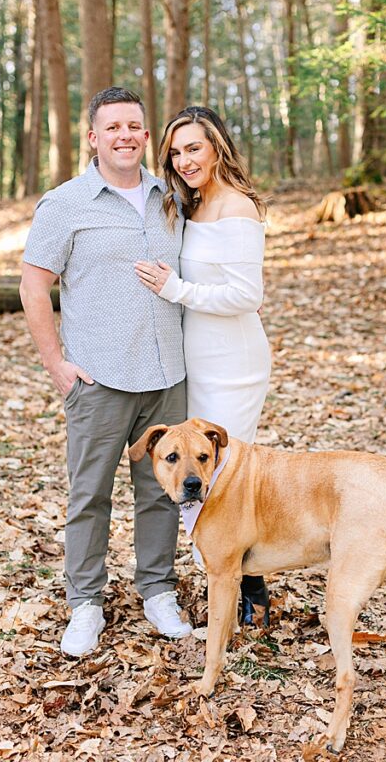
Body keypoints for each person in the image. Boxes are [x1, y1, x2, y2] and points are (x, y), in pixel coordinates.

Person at [20, 87, 193, 658]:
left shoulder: (172, 197)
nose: (125, 135)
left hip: (167, 375)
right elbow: (34, 285)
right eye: (112, 126)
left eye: (135, 126)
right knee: (89, 495)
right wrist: (57, 365)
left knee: (163, 492)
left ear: (147, 136)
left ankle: (158, 590)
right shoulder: (65, 203)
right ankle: (86, 603)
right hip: (97, 380)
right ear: (93, 137)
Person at [133, 106, 272, 626]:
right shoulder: (192, 204)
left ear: (216, 146)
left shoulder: (236, 205)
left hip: (234, 362)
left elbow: (246, 293)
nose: (184, 159)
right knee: (200, 470)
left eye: (194, 147)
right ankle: (229, 571)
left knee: (227, 475)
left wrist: (175, 289)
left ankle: (246, 586)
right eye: (175, 151)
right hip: (199, 358)